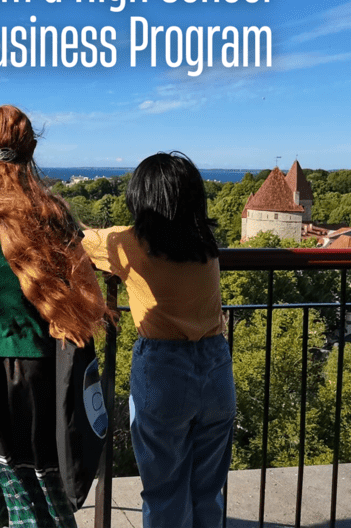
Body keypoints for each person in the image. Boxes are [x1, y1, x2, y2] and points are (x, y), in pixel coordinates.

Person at [0, 105, 116, 528]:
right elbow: (87, 289)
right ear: (30, 150)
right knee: (41, 506)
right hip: (33, 379)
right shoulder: (53, 215)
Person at [81, 151, 235, 528]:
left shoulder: (131, 243)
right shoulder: (205, 242)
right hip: (216, 366)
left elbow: (75, 239)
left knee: (165, 492)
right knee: (208, 490)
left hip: (164, 370)